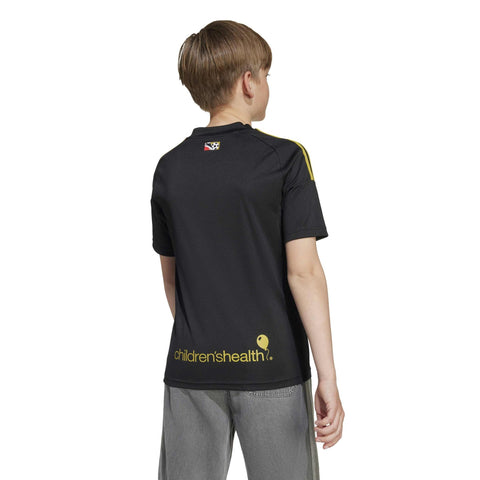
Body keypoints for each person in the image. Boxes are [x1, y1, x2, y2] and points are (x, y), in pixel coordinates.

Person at [150, 19, 345, 480]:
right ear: (248, 82)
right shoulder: (285, 159)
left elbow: (172, 280)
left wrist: (210, 344)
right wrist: (328, 376)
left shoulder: (169, 168)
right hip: (272, 370)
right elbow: (304, 274)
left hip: (192, 370)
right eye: (267, 74)